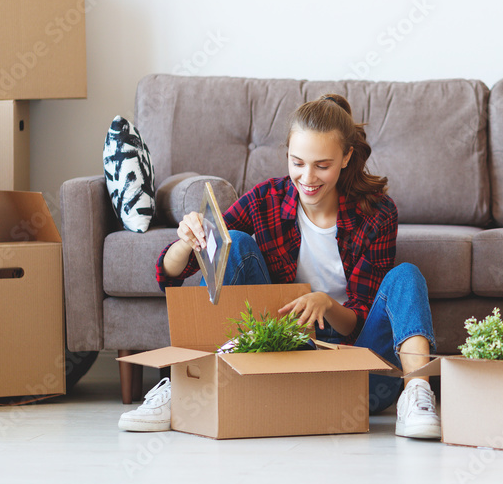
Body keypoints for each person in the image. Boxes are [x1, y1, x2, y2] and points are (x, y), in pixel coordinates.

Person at [118, 94, 441, 440]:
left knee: (406, 275)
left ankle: (417, 393)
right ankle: (185, 386)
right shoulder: (266, 199)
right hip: (281, 354)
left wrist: (326, 304)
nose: (307, 178)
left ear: (346, 157)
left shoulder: (377, 212)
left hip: (358, 371)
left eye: (322, 165)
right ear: (287, 152)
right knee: (237, 242)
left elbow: (357, 320)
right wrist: (187, 241)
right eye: (297, 162)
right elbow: (170, 274)